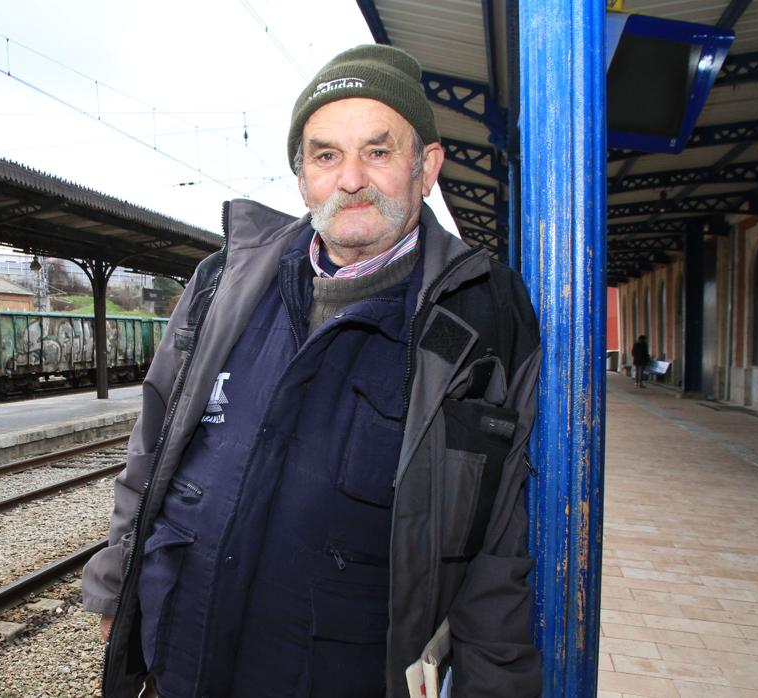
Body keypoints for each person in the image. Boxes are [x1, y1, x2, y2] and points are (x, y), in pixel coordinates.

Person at [83, 45, 542, 698]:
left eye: (378, 152)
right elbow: (150, 452)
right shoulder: (224, 283)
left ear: (427, 167)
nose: (350, 178)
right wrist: (114, 588)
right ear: (302, 175)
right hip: (183, 657)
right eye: (326, 154)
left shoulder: (482, 316)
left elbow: (496, 547)